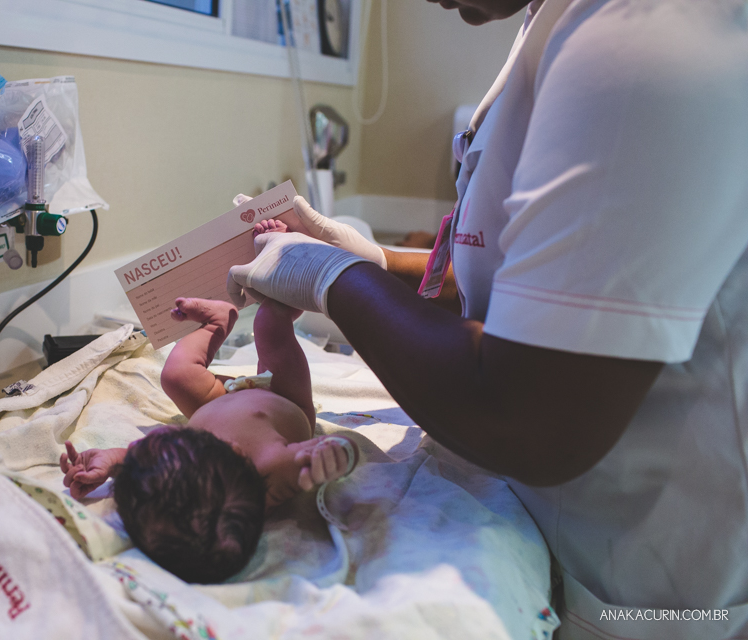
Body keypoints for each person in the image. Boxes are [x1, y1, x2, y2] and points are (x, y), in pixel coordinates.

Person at [227, 0, 748, 637]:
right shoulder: (549, 21)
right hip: (536, 533)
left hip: (644, 592)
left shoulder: (648, 35)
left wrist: (334, 280)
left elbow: (532, 417)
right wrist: (375, 259)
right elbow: (527, 280)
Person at [62, 222, 358, 584]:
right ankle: (280, 283)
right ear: (233, 450)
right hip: (279, 395)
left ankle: (217, 321)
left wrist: (111, 460)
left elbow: (146, 462)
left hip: (215, 402)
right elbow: (340, 451)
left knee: (175, 376)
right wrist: (334, 457)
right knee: (268, 325)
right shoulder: (274, 469)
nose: (150, 443)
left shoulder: (172, 480)